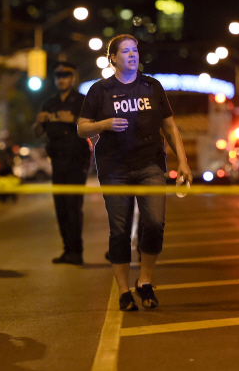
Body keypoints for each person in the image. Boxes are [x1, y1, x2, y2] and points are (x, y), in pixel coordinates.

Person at [78, 34, 192, 311]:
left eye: (135, 51)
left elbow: (170, 126)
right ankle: (123, 290)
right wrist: (103, 124)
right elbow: (82, 128)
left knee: (154, 223)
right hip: (114, 167)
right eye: (125, 51)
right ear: (113, 58)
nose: (132, 55)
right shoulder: (100, 90)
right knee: (120, 230)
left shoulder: (152, 86)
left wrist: (183, 162)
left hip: (150, 164)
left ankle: (145, 280)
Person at [33, 61, 92, 265]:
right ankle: (67, 250)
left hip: (76, 158)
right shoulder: (50, 103)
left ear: (73, 77)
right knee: (60, 207)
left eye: (66, 76)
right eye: (58, 77)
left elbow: (92, 127)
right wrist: (39, 121)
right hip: (57, 159)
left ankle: (77, 251)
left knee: (73, 205)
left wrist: (74, 120)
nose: (62, 80)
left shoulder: (82, 101)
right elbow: (37, 132)